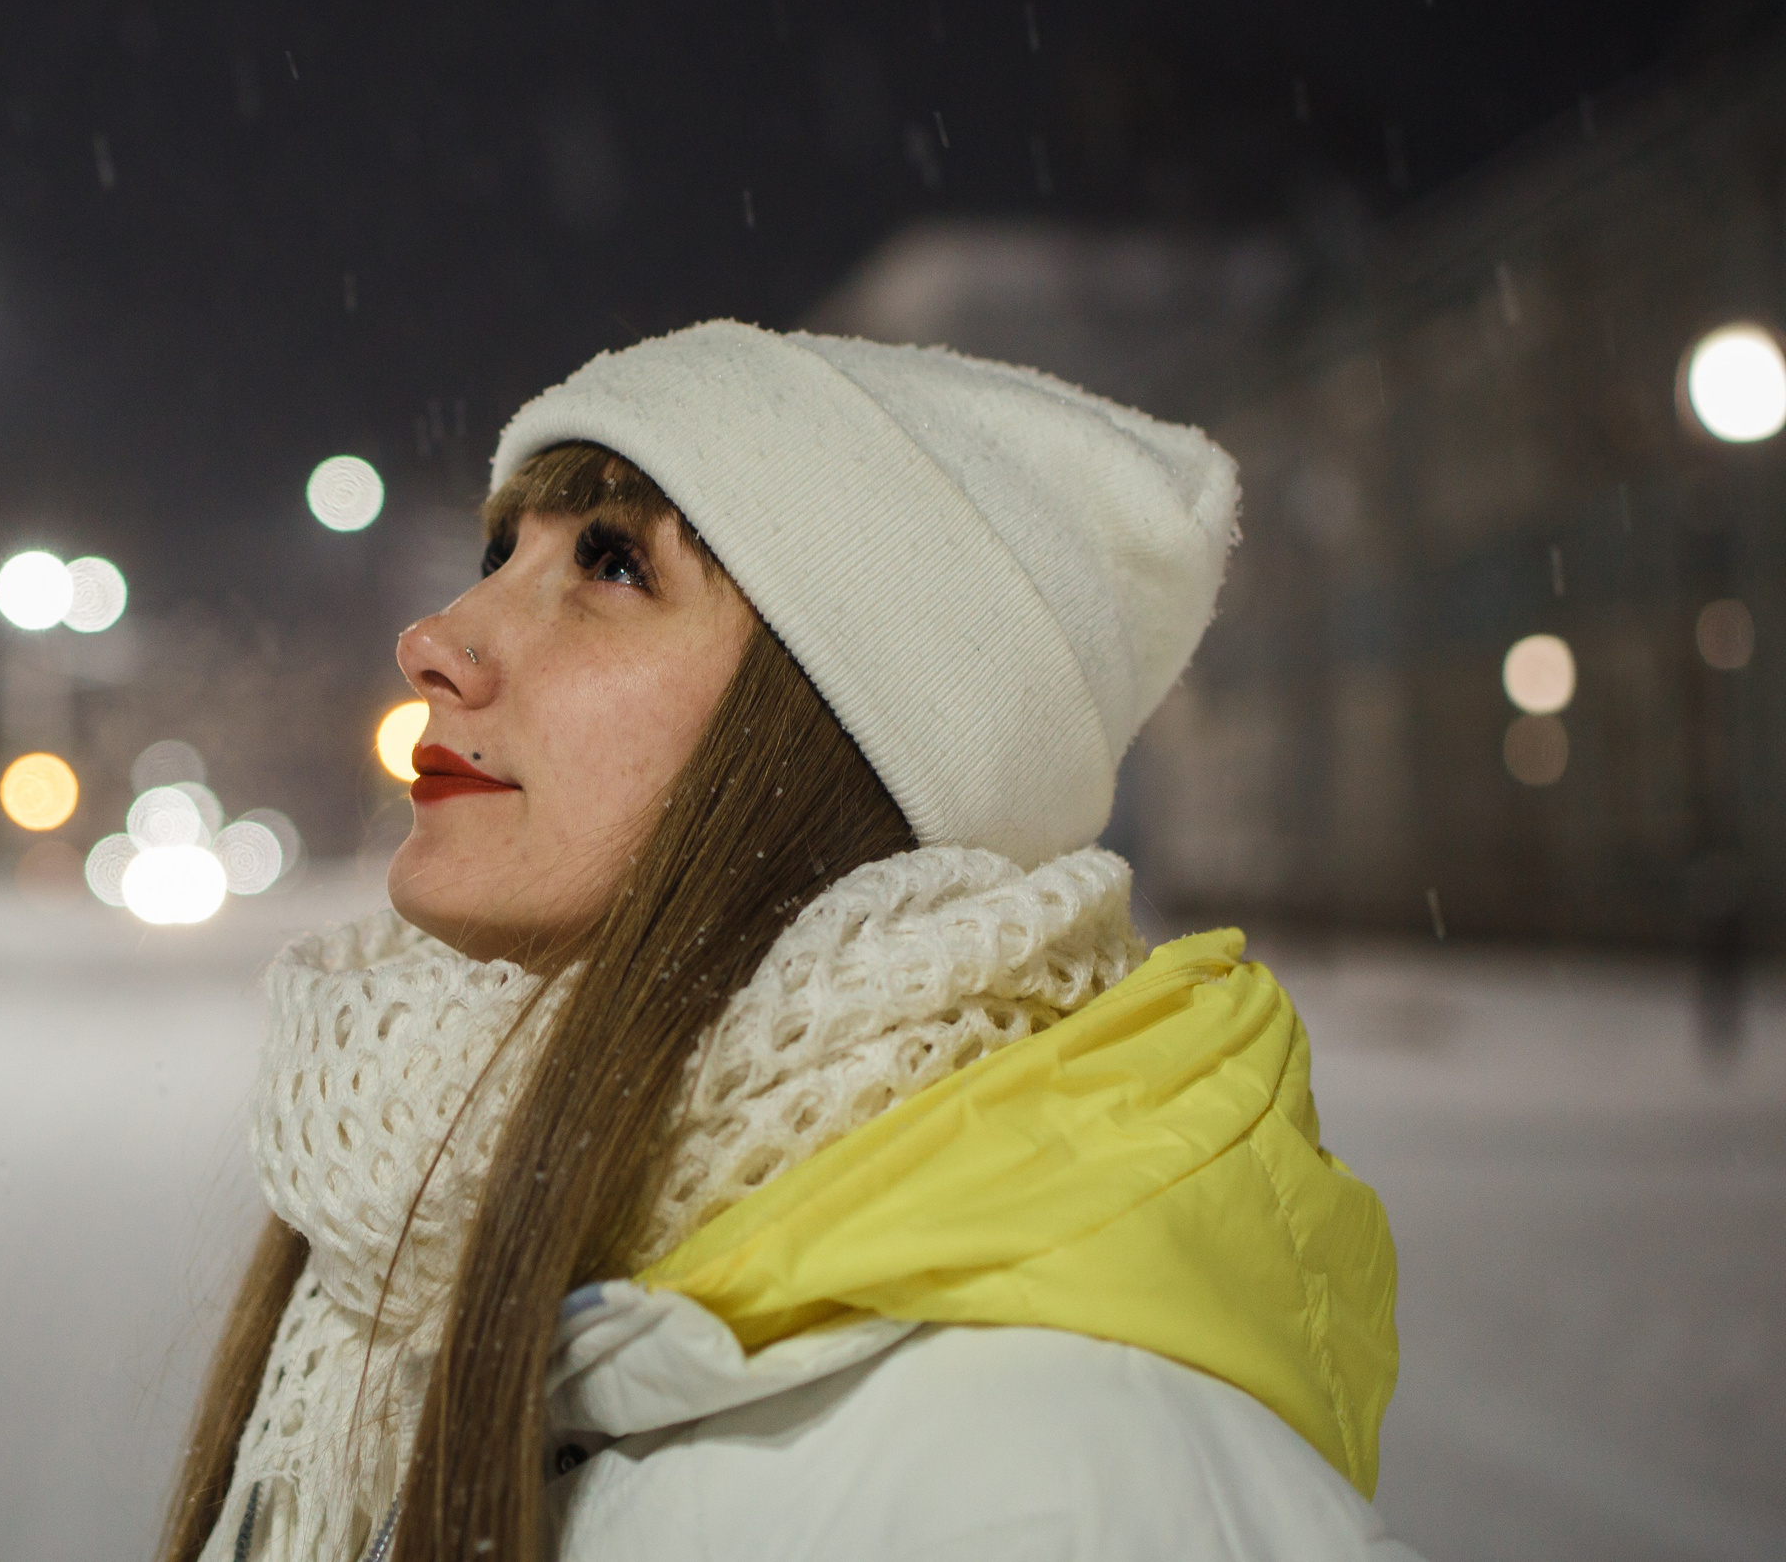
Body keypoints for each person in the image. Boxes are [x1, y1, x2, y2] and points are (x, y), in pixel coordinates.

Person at [160, 321, 1415, 1562]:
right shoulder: (405, 1236)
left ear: (842, 757)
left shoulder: (1054, 1484)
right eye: (500, 550)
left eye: (611, 565)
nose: (434, 639)